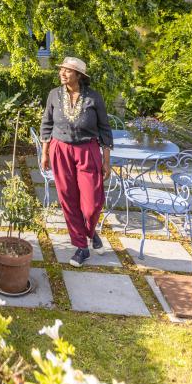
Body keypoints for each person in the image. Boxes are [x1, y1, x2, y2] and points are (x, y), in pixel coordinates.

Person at [40, 57, 113, 266]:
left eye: (68, 71)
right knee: (68, 199)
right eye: (62, 69)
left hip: (87, 150)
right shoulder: (54, 95)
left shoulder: (94, 98)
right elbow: (47, 124)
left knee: (92, 204)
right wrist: (45, 153)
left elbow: (105, 129)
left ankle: (89, 230)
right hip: (60, 150)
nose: (62, 73)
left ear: (79, 76)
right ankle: (81, 246)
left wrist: (106, 161)